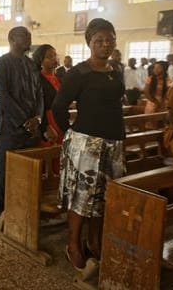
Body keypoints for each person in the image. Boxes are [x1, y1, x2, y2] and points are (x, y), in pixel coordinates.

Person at [52, 18, 125, 274]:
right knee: (82, 197)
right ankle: (73, 244)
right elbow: (59, 107)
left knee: (105, 197)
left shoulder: (116, 71)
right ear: (89, 43)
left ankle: (94, 241)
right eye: (99, 41)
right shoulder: (78, 73)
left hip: (113, 142)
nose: (105, 45)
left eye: (110, 40)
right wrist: (71, 132)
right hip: (87, 144)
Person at [0, 26, 43, 220]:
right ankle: (0, 211)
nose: (29, 38)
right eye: (24, 36)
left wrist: (37, 118)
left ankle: (22, 208)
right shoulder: (0, 65)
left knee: (27, 171)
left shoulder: (31, 65)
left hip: (31, 128)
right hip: (8, 127)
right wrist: (24, 120)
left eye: (29, 35)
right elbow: (4, 97)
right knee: (4, 171)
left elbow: (39, 94)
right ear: (12, 39)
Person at [32, 44, 63, 148]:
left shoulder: (59, 77)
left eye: (55, 55)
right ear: (41, 60)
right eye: (49, 57)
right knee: (50, 151)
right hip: (48, 119)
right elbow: (38, 105)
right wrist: (45, 126)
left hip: (60, 118)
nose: (54, 59)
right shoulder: (38, 79)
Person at [143, 60, 169, 129]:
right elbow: (146, 92)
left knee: (162, 124)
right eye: (155, 68)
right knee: (151, 124)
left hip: (164, 103)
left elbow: (168, 93)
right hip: (152, 102)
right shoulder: (151, 78)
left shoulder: (168, 79)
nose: (155, 70)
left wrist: (162, 102)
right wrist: (156, 102)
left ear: (164, 69)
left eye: (158, 68)